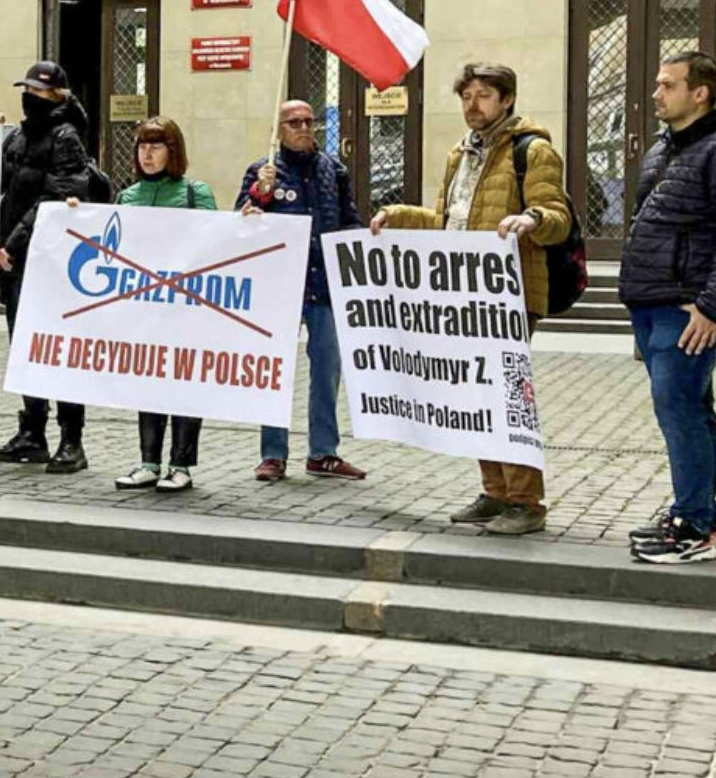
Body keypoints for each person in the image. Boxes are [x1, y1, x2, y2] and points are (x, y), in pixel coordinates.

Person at [370, 64, 574, 537]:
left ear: (506, 99)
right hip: (463, 293)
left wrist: (533, 218)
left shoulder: (533, 151)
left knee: (506, 395)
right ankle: (495, 492)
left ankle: (526, 501)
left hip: (512, 292)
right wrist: (396, 214)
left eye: (483, 95)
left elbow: (558, 218)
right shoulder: (458, 155)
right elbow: (448, 222)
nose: (472, 105)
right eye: (466, 96)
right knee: (476, 393)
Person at [619, 51, 716, 565]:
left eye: (668, 85)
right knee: (686, 412)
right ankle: (693, 511)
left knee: (682, 412)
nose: (656, 93)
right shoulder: (665, 148)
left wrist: (713, 307)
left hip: (687, 311)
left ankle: (696, 527)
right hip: (652, 303)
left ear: (699, 92)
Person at [238, 100, 367, 484]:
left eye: (309, 121)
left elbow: (349, 220)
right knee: (275, 371)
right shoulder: (263, 172)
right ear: (279, 128)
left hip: (324, 286)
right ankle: (273, 454)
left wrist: (362, 239)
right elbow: (241, 223)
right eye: (294, 122)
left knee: (327, 369)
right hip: (280, 288)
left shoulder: (333, 169)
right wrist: (259, 198)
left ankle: (323, 452)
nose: (304, 127)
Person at [0, 61, 93, 474]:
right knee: (24, 348)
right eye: (26, 89)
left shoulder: (66, 137)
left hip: (48, 261)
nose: (29, 97)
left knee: (57, 348)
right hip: (14, 261)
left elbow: (61, 194)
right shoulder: (17, 135)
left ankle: (72, 439)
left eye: (39, 91)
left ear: (58, 97)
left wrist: (13, 241)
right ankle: (32, 432)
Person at [106, 117, 217, 493]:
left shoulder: (194, 193)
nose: (148, 153)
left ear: (174, 151)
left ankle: (181, 463)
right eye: (142, 146)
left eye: (156, 146)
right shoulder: (126, 197)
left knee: (185, 382)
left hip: (186, 308)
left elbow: (216, 244)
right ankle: (149, 461)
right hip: (145, 309)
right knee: (149, 381)